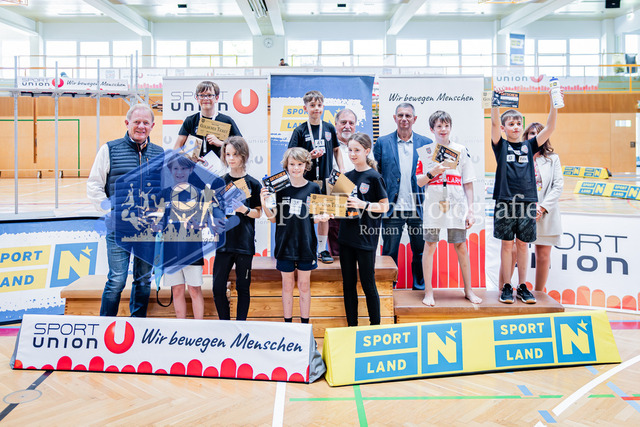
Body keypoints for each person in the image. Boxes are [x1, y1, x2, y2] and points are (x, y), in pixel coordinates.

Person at [87, 103, 164, 317]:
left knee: (143, 280)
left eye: (146, 123)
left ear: (152, 126)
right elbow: (94, 184)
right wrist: (110, 210)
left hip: (147, 231)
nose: (141, 126)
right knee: (117, 280)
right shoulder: (109, 149)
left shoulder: (159, 153)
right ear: (127, 123)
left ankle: (137, 323)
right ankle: (105, 325)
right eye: (137, 122)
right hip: (118, 229)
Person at [491, 89, 559, 304]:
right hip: (505, 201)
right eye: (511, 124)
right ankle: (507, 286)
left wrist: (554, 101)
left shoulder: (529, 146)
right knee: (506, 245)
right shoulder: (500, 145)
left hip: (527, 202)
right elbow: (494, 123)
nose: (516, 127)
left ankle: (522, 286)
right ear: (504, 128)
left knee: (522, 245)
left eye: (518, 123)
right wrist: (495, 102)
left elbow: (550, 127)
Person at [260, 147, 331, 324]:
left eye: (300, 164)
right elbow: (273, 219)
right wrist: (264, 203)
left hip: (306, 245)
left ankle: (305, 326)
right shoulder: (278, 189)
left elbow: (313, 218)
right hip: (285, 245)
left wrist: (323, 217)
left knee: (304, 286)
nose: (296, 168)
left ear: (306, 165)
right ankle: (288, 326)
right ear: (286, 165)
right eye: (292, 164)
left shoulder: (314, 187)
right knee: (287, 286)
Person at [417, 111, 481, 306]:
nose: (443, 129)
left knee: (461, 245)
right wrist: (432, 172)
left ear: (450, 127)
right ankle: (429, 292)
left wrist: (471, 210)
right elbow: (419, 182)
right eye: (439, 126)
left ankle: (469, 290)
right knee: (430, 245)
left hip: (456, 204)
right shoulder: (426, 152)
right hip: (433, 204)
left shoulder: (461, 150)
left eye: (446, 126)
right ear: (432, 129)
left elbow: (468, 182)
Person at [373, 103, 432, 290]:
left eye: (408, 115)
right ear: (395, 118)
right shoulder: (382, 142)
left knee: (420, 252)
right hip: (392, 208)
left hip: (418, 207)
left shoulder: (426, 143)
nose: (404, 119)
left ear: (414, 119)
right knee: (389, 252)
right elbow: (375, 174)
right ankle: (387, 288)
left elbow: (432, 175)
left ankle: (420, 288)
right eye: (400, 115)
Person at [504, 123, 564, 292]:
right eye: (531, 133)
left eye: (538, 133)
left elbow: (558, 186)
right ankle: (504, 288)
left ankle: (538, 294)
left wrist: (542, 208)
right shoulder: (516, 155)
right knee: (512, 251)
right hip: (519, 211)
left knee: (543, 256)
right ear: (526, 136)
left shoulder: (553, 159)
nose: (534, 136)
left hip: (544, 213)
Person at [288, 90, 344, 264]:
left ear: (323, 107)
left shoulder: (329, 128)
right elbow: (291, 155)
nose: (316, 108)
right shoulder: (300, 130)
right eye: (312, 105)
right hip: (305, 182)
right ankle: (302, 248)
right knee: (304, 215)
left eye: (319, 105)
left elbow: (336, 149)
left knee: (324, 214)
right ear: (305, 108)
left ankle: (322, 249)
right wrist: (308, 156)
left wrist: (341, 169)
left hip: (326, 180)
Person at [339, 133, 389, 326]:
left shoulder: (375, 177)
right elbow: (337, 207)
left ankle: (374, 328)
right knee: (348, 284)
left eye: (357, 150)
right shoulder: (345, 178)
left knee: (368, 284)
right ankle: (352, 327)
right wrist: (322, 208)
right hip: (346, 238)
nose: (352, 154)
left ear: (367, 151)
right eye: (350, 150)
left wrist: (363, 204)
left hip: (366, 238)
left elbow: (384, 207)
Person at [212, 136, 263, 320]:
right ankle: (225, 324)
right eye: (228, 154)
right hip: (224, 243)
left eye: (235, 154)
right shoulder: (219, 182)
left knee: (243, 287)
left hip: (244, 243)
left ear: (244, 155)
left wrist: (244, 210)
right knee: (218, 288)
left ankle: (241, 325)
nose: (231, 158)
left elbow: (259, 213)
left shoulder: (253, 183)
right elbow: (213, 209)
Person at [161, 153, 205, 319]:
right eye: (176, 168)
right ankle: (182, 328)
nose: (179, 172)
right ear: (170, 170)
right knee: (177, 290)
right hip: (171, 251)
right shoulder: (164, 194)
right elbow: (158, 221)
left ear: (191, 169)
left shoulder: (199, 194)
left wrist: (199, 223)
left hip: (192, 250)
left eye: (184, 168)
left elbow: (205, 222)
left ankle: (198, 327)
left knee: (194, 290)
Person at [174, 80, 242, 159]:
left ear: (216, 98)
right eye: (202, 95)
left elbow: (241, 147)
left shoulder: (227, 121)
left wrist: (221, 143)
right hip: (195, 166)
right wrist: (191, 157)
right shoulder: (190, 121)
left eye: (209, 95)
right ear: (197, 98)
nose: (205, 99)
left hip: (221, 165)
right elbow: (176, 149)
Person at [327, 108, 357, 256]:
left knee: (357, 250)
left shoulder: (363, 146)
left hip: (357, 203)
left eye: (351, 123)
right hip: (335, 203)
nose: (347, 126)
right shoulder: (327, 146)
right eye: (343, 122)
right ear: (336, 124)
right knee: (336, 250)